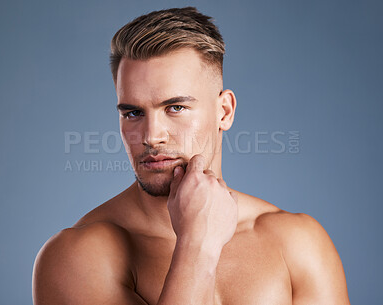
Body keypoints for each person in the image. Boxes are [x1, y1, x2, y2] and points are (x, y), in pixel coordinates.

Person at [32, 6, 350, 304]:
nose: (151, 135)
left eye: (176, 107)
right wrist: (197, 246)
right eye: (132, 113)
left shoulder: (297, 243)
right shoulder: (77, 256)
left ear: (224, 111)